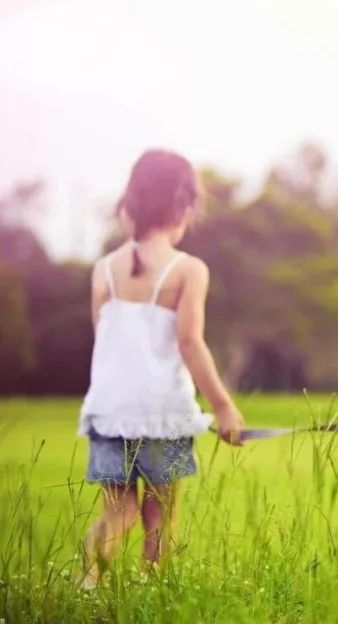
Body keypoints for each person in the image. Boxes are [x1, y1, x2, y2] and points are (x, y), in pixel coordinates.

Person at [78, 149, 245, 587]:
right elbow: (190, 343)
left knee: (118, 512)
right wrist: (223, 407)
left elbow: (105, 342)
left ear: (129, 206)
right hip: (163, 414)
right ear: (184, 209)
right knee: (160, 517)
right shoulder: (188, 270)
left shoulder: (103, 271)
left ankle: (89, 584)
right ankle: (153, 594)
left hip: (110, 411)